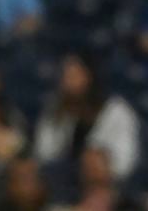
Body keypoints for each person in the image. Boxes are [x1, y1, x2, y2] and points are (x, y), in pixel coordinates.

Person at [34, 52, 140, 180]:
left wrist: (96, 163)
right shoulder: (55, 109)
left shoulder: (117, 111)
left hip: (107, 184)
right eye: (64, 75)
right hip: (64, 183)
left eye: (73, 75)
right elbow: (43, 153)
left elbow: (125, 163)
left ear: (89, 77)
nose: (67, 81)